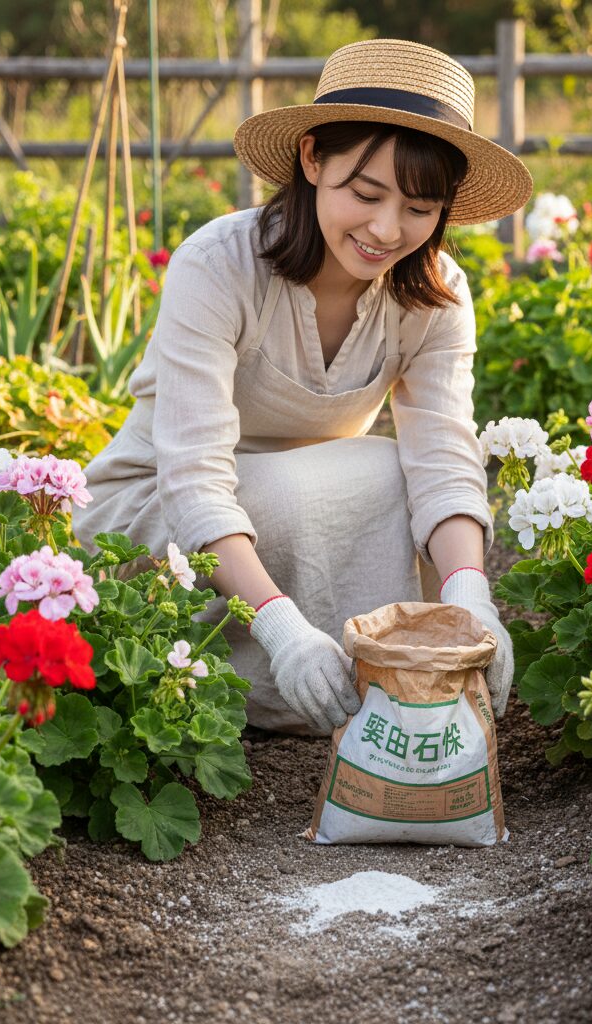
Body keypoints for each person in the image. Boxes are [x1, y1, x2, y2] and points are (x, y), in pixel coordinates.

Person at [72, 38, 534, 736]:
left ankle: (376, 683)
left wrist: (471, 598)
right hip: (157, 521)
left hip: (294, 506)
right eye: (365, 193)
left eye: (419, 207)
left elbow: (442, 452)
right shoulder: (219, 266)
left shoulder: (435, 297)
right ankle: (262, 678)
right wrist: (284, 630)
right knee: (298, 490)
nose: (386, 229)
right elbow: (194, 478)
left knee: (396, 473)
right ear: (313, 159)